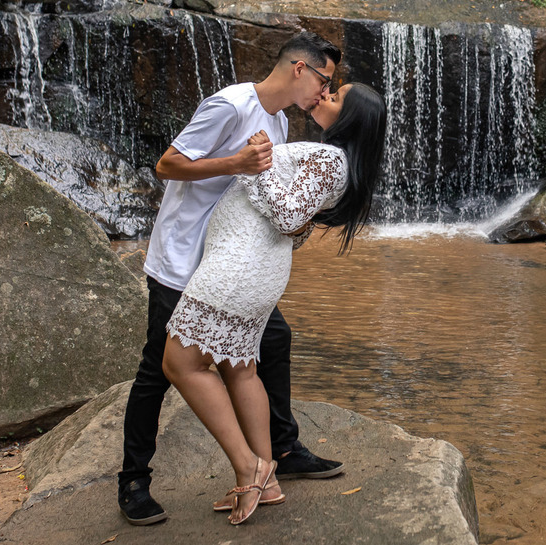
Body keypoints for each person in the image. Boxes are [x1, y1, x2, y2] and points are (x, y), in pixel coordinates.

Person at [117, 31, 346, 526]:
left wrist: (298, 222)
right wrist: (236, 162)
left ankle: (281, 452)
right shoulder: (230, 104)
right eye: (325, 80)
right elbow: (167, 165)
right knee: (158, 368)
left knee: (274, 340)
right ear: (300, 69)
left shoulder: (281, 124)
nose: (325, 95)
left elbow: (269, 198)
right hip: (183, 258)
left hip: (228, 265)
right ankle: (133, 480)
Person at [162, 82, 387, 524]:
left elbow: (287, 215)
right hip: (251, 266)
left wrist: (259, 161)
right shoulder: (334, 161)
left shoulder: (329, 160)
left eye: (335, 97)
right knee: (240, 366)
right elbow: (296, 224)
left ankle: (250, 467)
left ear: (351, 120)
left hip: (238, 269)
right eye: (328, 90)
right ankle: (268, 481)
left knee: (180, 364)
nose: (324, 96)